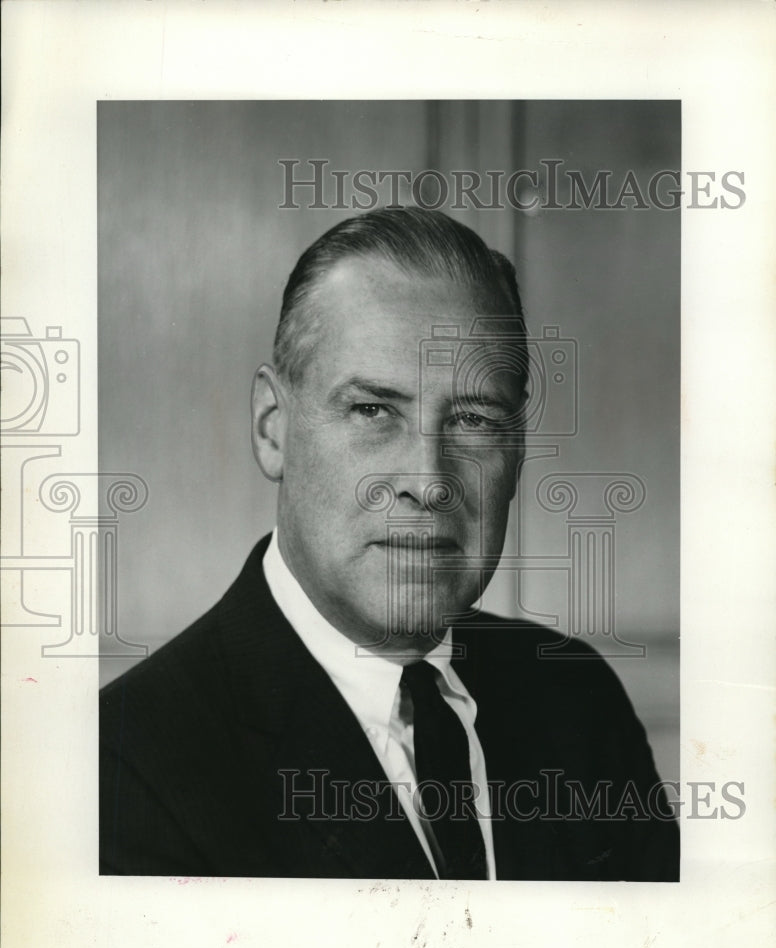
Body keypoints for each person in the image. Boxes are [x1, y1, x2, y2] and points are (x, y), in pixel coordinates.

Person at [100, 207, 679, 880]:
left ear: (517, 454)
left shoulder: (576, 701)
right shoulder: (123, 768)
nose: (428, 483)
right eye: (374, 411)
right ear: (272, 428)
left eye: (473, 419)